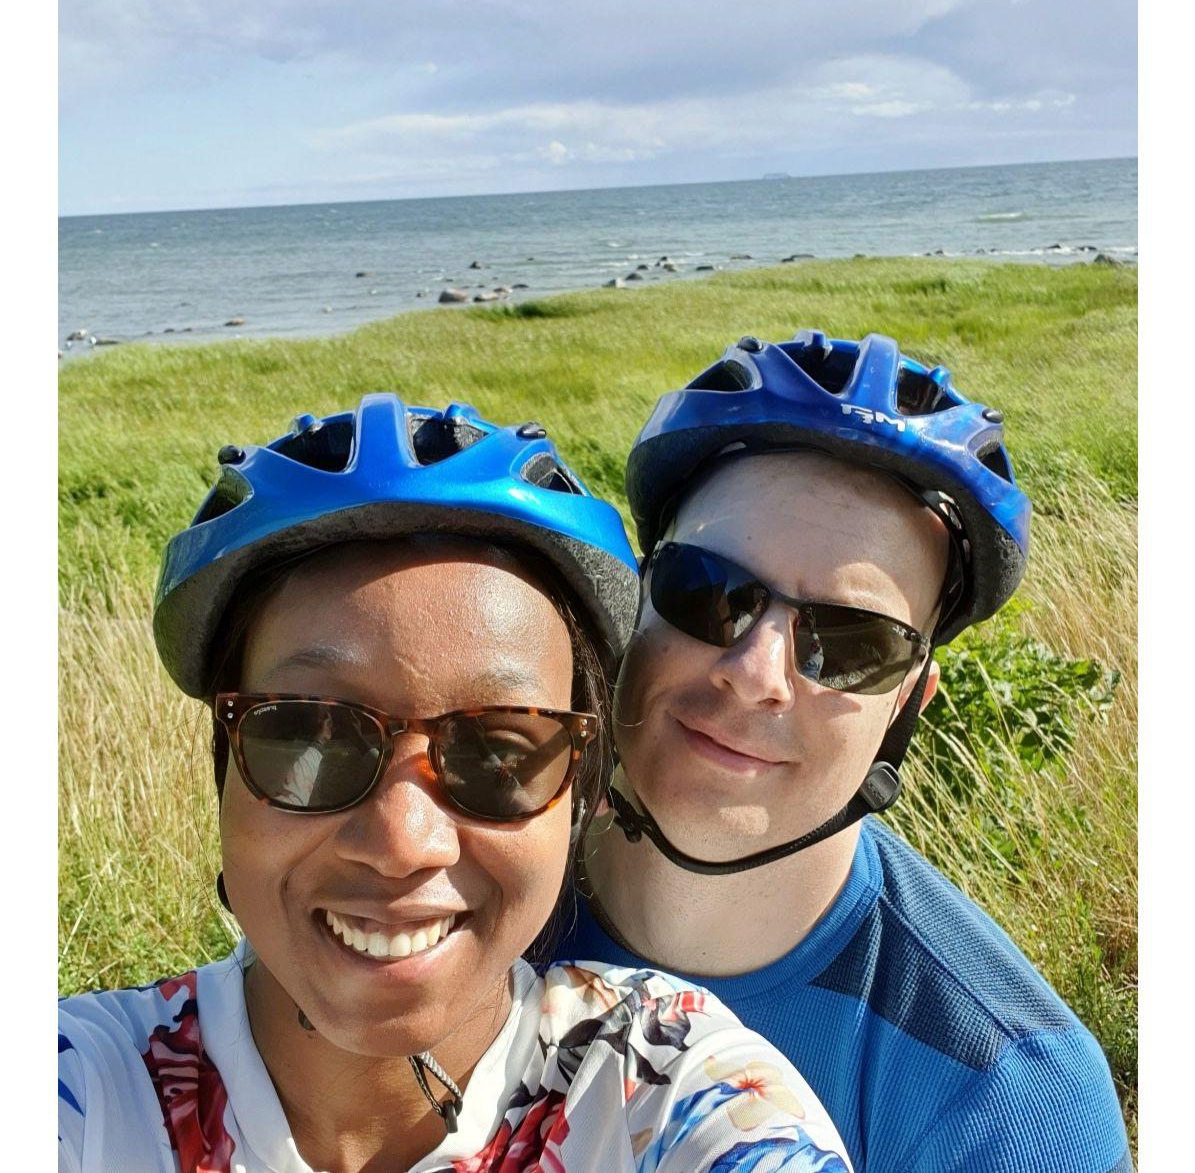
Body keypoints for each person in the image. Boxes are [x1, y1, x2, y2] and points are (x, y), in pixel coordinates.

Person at [58, 394, 853, 1172]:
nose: (403, 841)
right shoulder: (81, 1091)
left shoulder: (663, 1092)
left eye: (498, 752)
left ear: (582, 792)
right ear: (224, 764)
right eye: (311, 735)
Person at [556, 331, 1132, 1173]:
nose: (756, 674)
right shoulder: (443, 895)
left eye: (849, 642)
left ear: (906, 706)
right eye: (708, 592)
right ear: (632, 605)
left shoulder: (1004, 1097)